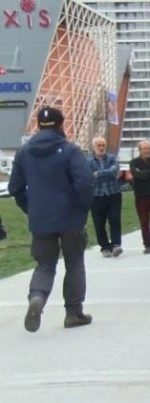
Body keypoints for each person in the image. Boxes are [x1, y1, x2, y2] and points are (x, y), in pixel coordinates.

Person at [8, 106, 94, 332]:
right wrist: (81, 208)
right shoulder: (69, 150)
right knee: (74, 262)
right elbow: (84, 184)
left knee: (45, 265)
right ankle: (73, 312)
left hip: (40, 219)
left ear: (38, 125)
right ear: (61, 124)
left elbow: (15, 187)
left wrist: (31, 207)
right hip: (70, 219)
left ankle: (37, 297)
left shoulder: (24, 152)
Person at [88, 137, 123, 258]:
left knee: (114, 219)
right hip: (96, 195)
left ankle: (116, 245)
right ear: (93, 147)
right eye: (99, 145)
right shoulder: (88, 161)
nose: (101, 148)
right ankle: (104, 246)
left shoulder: (112, 158)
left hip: (113, 194)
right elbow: (90, 176)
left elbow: (114, 171)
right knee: (99, 223)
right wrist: (105, 173)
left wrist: (98, 174)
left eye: (103, 145)